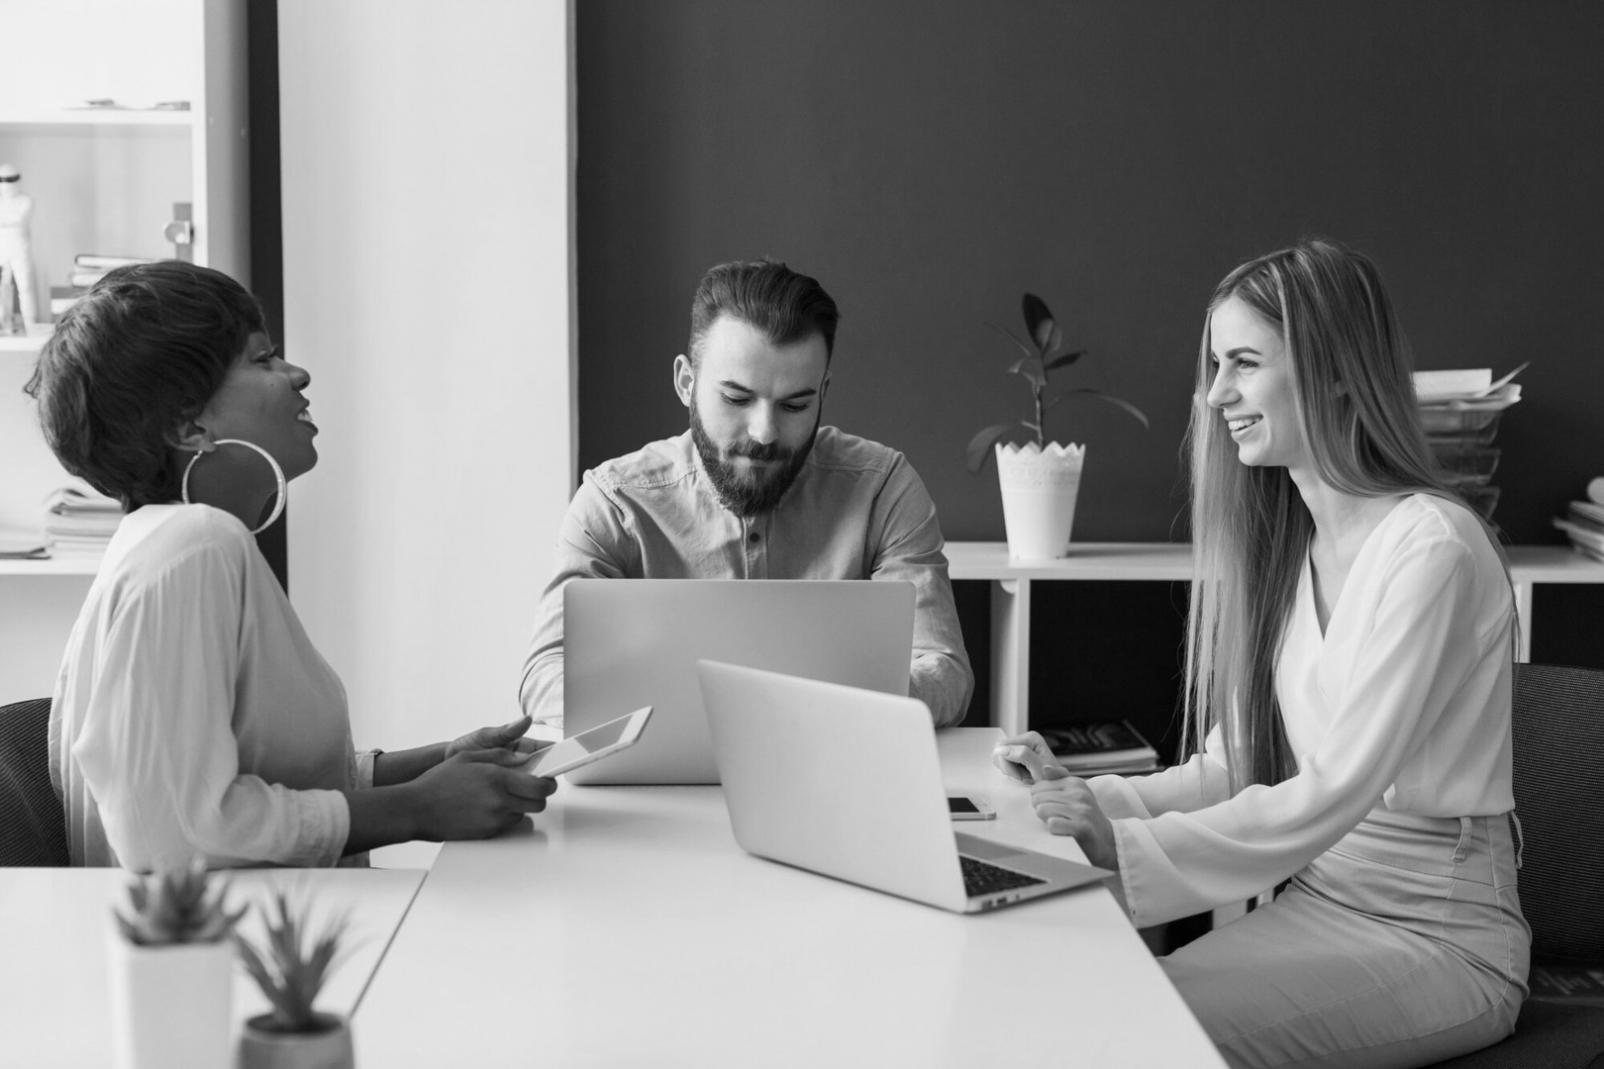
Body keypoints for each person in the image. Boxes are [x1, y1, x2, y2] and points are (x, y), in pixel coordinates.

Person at [994, 239, 1529, 1068]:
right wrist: (1090, 796)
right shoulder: (1296, 547)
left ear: (1338, 371)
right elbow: (1236, 765)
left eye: (1244, 362)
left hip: (1436, 939)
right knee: (1090, 1010)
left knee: (1132, 1038)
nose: (1215, 394)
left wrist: (1120, 843)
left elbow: (1336, 786)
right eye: (1215, 364)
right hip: (1320, 901)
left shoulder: (1433, 548)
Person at [28, 260, 557, 871]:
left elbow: (251, 773)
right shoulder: (194, 546)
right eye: (262, 360)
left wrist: (433, 765)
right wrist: (414, 809)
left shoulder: (175, 543)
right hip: (244, 953)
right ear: (188, 424)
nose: (297, 374)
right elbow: (172, 831)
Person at [520, 258, 973, 729]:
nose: (764, 432)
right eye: (736, 399)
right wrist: (723, 712)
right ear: (686, 383)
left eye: (796, 404)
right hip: (657, 787)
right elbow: (545, 675)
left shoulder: (883, 488)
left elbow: (945, 672)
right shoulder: (615, 503)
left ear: (823, 392)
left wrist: (822, 706)